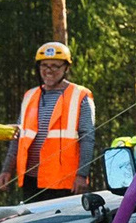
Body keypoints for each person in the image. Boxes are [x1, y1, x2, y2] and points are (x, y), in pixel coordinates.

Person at [11, 41, 96, 198]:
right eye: (44, 65)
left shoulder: (80, 95)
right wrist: (6, 170)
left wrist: (82, 175)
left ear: (66, 68)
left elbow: (87, 138)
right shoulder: (30, 95)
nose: (49, 70)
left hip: (64, 182)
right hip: (31, 180)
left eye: (55, 66)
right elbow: (18, 136)